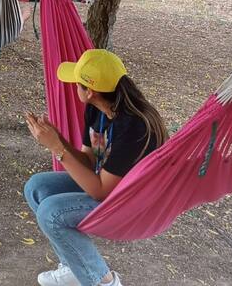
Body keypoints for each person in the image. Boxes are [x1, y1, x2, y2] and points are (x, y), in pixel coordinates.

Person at [23, 49, 169, 286]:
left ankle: (104, 282)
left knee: (52, 213)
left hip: (135, 202)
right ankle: (73, 269)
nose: (74, 87)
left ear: (90, 91)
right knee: (37, 187)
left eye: (77, 83)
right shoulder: (97, 109)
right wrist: (58, 140)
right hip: (110, 185)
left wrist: (57, 149)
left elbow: (100, 191)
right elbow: (89, 162)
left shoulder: (134, 128)